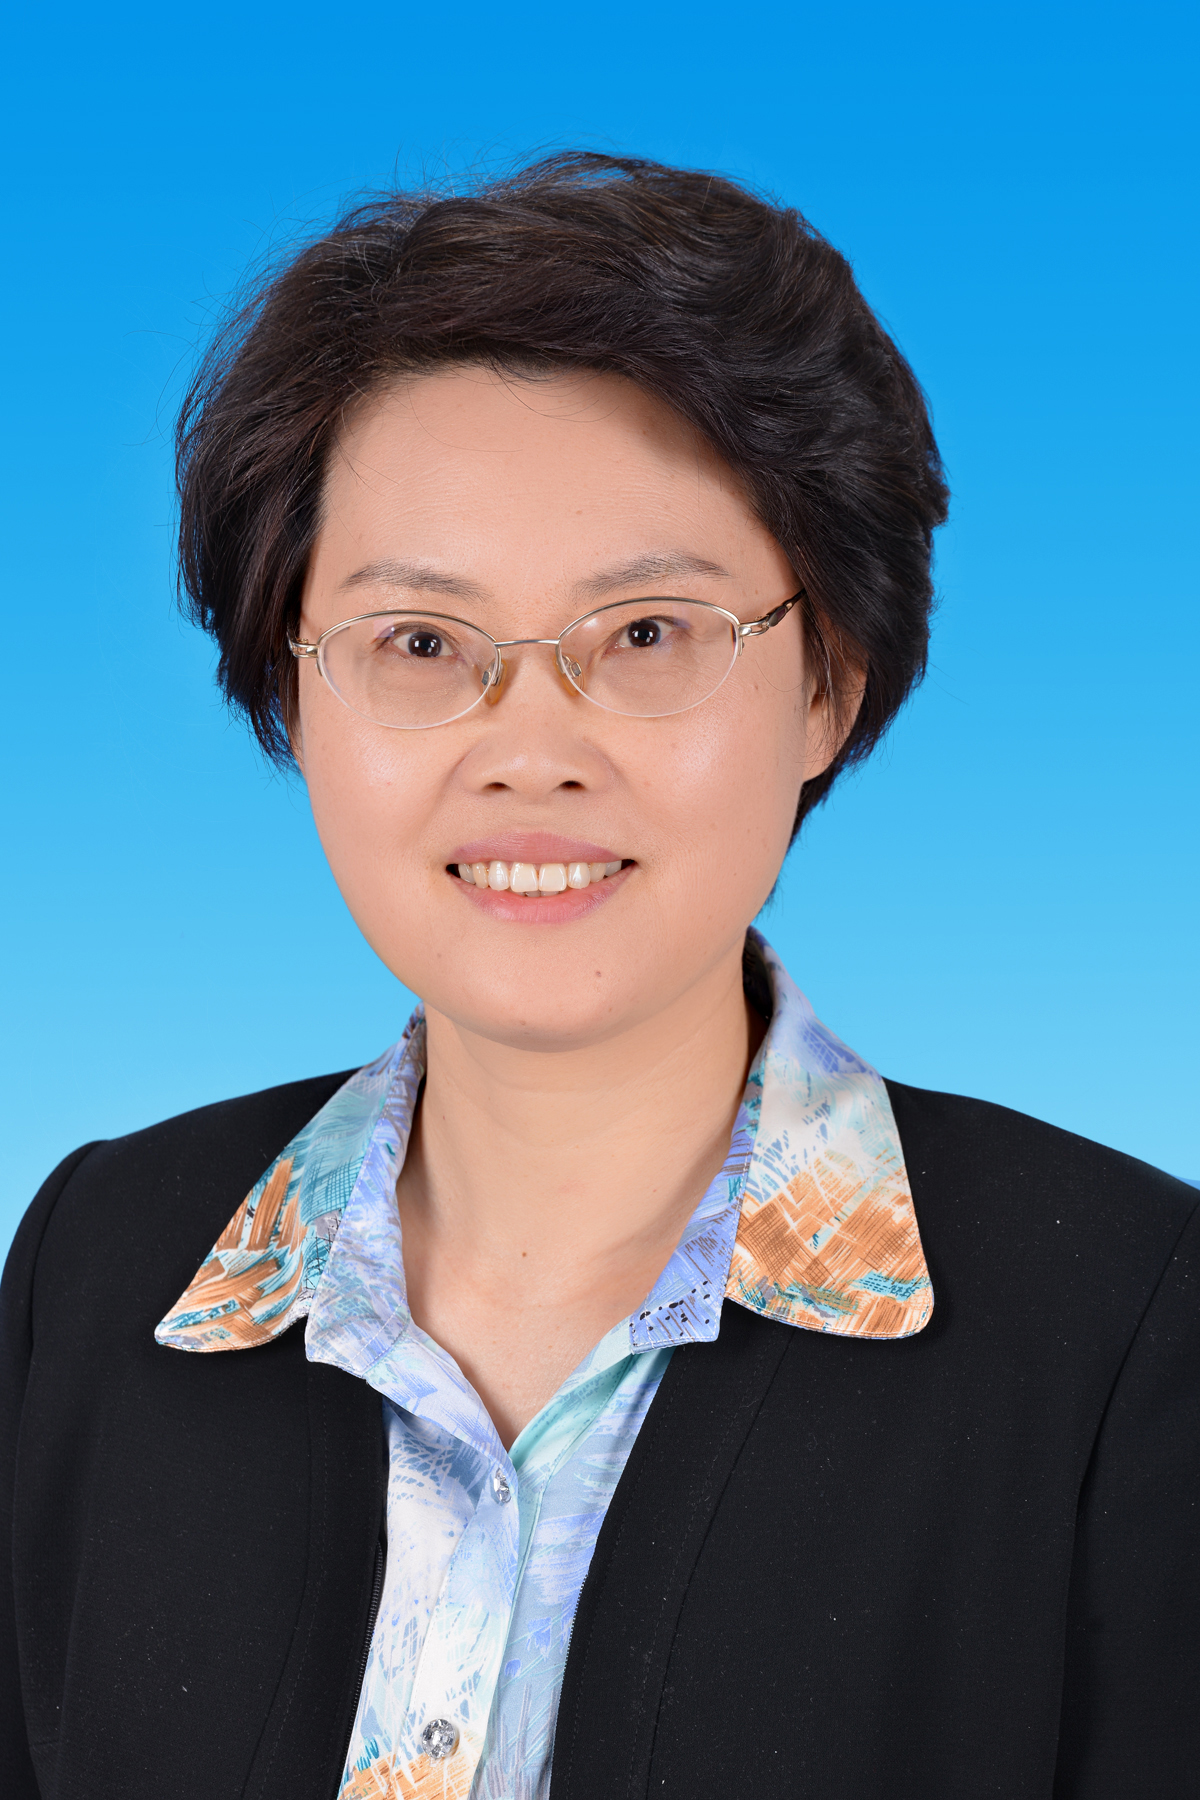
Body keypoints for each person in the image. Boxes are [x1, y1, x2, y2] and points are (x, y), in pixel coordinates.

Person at [2, 153, 1196, 1800]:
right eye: (422, 645)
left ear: (831, 685)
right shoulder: (103, 1263)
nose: (531, 753)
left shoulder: (1132, 1326)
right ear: (293, 695)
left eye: (645, 634)